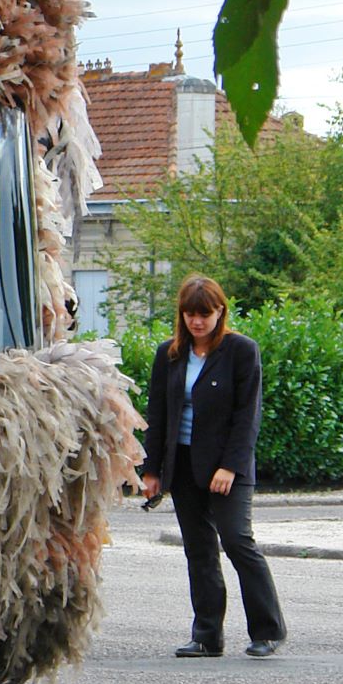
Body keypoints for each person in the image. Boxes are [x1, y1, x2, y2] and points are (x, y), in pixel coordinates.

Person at [138, 275, 286, 658]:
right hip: (183, 464)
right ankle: (206, 635)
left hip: (226, 467)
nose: (197, 322)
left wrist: (230, 467)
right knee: (199, 550)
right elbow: (159, 413)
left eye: (205, 314)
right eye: (190, 314)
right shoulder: (168, 353)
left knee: (237, 541)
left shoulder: (241, 351)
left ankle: (267, 632)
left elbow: (247, 416)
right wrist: (151, 471)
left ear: (221, 312)